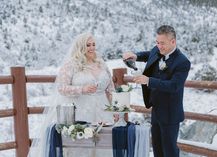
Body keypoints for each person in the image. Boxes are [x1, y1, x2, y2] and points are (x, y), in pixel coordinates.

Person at [28, 33, 115, 157]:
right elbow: (61, 88)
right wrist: (82, 89)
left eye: (93, 44)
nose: (92, 48)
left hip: (103, 114)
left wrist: (115, 111)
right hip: (81, 113)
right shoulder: (71, 65)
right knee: (80, 149)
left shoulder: (101, 64)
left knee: (105, 148)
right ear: (80, 47)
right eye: (88, 45)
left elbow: (110, 89)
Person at [123, 25, 191, 157]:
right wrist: (136, 56)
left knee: (169, 151)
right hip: (156, 110)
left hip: (170, 114)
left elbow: (174, 86)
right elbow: (150, 54)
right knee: (157, 150)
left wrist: (148, 81)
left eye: (163, 43)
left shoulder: (183, 62)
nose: (159, 46)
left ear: (173, 41)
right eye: (157, 42)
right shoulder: (158, 49)